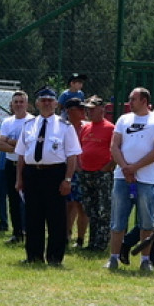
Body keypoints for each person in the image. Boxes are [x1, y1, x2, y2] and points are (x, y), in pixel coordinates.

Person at [14, 87, 81, 265]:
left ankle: (54, 258)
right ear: (36, 103)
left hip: (55, 174)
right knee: (33, 216)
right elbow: (22, 154)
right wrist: (19, 179)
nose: (46, 103)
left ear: (56, 104)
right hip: (32, 173)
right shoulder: (28, 126)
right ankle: (33, 256)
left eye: (50, 100)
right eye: (43, 100)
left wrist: (67, 179)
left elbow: (72, 156)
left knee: (56, 218)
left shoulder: (65, 127)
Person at [105, 88, 154, 272]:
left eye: (132, 99)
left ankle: (145, 260)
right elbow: (114, 145)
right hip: (121, 177)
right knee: (118, 219)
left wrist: (135, 167)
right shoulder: (123, 120)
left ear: (144, 100)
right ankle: (114, 258)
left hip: (147, 180)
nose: (129, 102)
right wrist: (125, 167)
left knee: (147, 221)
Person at [76, 95, 114, 251]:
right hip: (86, 173)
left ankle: (102, 243)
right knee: (90, 209)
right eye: (88, 109)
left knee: (103, 209)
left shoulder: (110, 128)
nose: (89, 112)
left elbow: (117, 150)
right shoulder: (85, 128)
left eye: (92, 109)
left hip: (102, 174)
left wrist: (108, 167)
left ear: (102, 110)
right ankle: (92, 242)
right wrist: (79, 166)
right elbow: (78, 148)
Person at [0, 91, 34, 245]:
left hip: (28, 166)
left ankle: (29, 232)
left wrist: (10, 142)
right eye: (16, 102)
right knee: (13, 200)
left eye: (21, 101)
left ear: (27, 104)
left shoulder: (33, 121)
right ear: (11, 105)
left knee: (29, 201)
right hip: (10, 165)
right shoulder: (7, 122)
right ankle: (17, 233)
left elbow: (30, 146)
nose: (18, 104)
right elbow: (0, 144)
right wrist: (19, 145)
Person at [62, 98, 88, 247]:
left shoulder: (87, 127)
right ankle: (66, 234)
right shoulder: (63, 127)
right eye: (80, 109)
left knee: (82, 206)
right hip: (66, 170)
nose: (83, 112)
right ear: (69, 111)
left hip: (83, 172)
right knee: (68, 205)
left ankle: (80, 239)